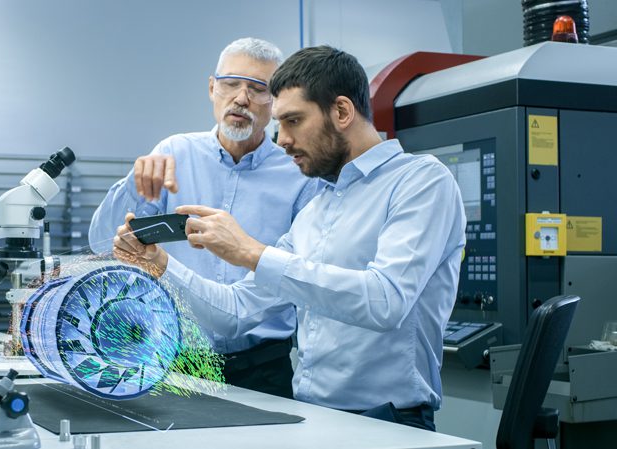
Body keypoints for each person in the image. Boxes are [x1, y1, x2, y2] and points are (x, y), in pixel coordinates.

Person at [113, 45, 466, 431]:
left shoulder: (421, 181)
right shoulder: (318, 207)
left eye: (294, 121)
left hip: (390, 420)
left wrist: (251, 253)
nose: (281, 140)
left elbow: (385, 301)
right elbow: (235, 312)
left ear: (342, 112)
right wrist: (161, 265)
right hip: (312, 416)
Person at [89, 38, 320, 398]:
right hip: (175, 360)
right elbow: (103, 243)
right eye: (231, 84)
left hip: (262, 367)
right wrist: (132, 186)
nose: (241, 98)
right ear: (212, 88)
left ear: (275, 102)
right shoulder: (173, 153)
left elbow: (294, 274)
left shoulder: (298, 174)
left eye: (258, 89)